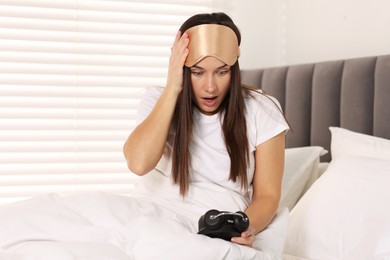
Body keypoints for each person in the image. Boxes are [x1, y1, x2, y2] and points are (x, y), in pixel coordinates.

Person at [123, 12, 289, 248]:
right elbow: (138, 163)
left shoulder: (262, 109)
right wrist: (172, 89)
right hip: (147, 216)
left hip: (211, 228)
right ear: (181, 67)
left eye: (222, 72)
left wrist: (245, 226)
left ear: (234, 68)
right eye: (198, 72)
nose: (210, 87)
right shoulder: (157, 100)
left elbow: (267, 196)